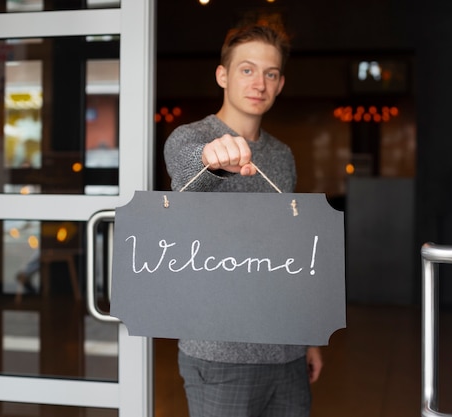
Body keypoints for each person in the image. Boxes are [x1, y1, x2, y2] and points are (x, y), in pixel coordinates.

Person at [163, 19, 323, 417]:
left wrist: (308, 338)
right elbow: (185, 171)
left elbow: (289, 251)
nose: (259, 84)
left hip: (286, 351)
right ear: (223, 75)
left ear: (281, 84)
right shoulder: (191, 138)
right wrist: (210, 160)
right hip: (219, 353)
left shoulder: (282, 156)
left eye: (270, 74)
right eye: (247, 70)